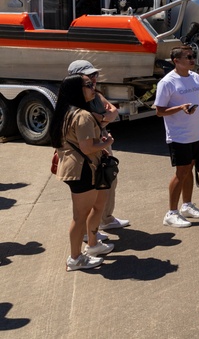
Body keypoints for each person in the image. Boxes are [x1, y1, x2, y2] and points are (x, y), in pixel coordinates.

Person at [53, 74, 114, 271]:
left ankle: (93, 245)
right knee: (80, 216)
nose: (93, 88)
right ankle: (75, 258)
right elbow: (87, 148)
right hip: (83, 169)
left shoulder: (66, 112)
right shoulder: (82, 115)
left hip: (81, 167)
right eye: (88, 85)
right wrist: (106, 143)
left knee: (98, 204)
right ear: (77, 90)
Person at [67, 60, 129, 232]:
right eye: (89, 76)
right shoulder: (75, 100)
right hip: (86, 150)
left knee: (109, 179)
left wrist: (102, 118)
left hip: (100, 143)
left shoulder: (96, 94)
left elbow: (114, 112)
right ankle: (89, 232)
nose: (94, 79)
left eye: (95, 75)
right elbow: (93, 119)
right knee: (91, 190)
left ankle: (106, 220)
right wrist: (102, 118)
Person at [154, 46, 199, 229]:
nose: (192, 59)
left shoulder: (195, 77)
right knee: (181, 172)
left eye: (193, 56)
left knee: (190, 169)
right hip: (179, 135)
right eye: (188, 57)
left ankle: (187, 205)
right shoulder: (167, 82)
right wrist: (180, 107)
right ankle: (171, 213)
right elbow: (159, 111)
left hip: (195, 133)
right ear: (176, 61)